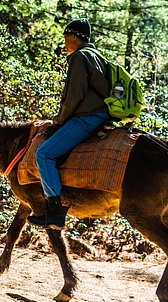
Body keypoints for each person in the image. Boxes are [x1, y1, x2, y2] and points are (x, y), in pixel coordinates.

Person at [29, 18, 111, 230]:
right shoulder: (98, 57)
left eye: (66, 37)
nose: (65, 42)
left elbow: (74, 95)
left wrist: (60, 119)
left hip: (86, 118)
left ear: (74, 36)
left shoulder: (79, 57)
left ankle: (55, 211)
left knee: (44, 154)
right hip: (102, 115)